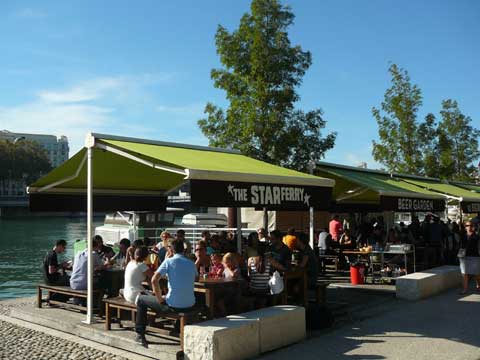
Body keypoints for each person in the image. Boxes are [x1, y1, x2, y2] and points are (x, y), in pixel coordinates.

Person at [135, 239, 197, 348]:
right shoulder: (191, 263)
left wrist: (159, 298)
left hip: (173, 305)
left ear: (171, 250)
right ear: (183, 250)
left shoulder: (169, 261)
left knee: (141, 299)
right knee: (178, 298)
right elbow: (196, 278)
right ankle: (177, 328)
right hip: (190, 304)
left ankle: (140, 334)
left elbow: (154, 280)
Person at [458, 221, 480, 294]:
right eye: (467, 225)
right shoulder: (463, 235)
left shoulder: (476, 236)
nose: (469, 227)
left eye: (470, 225)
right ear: (465, 227)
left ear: (473, 227)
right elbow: (460, 245)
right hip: (464, 256)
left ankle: (478, 285)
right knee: (464, 273)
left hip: (474, 256)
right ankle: (464, 289)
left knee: (476, 274)